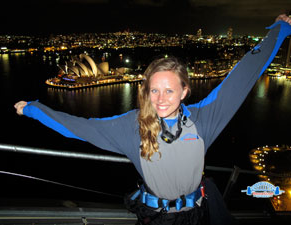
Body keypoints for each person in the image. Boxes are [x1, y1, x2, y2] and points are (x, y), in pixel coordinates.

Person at [15, 15, 291, 225]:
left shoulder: (204, 119)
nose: (160, 99)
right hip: (155, 218)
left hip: (198, 214)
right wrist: (34, 110)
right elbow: (80, 128)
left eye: (169, 90)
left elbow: (242, 77)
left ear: (184, 92)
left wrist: (280, 30)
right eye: (153, 90)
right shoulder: (131, 126)